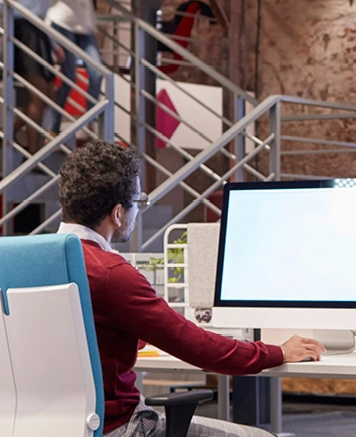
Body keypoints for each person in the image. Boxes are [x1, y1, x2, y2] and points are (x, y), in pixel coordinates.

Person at [57, 140, 326, 437]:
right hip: (117, 427)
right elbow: (197, 347)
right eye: (138, 203)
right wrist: (277, 352)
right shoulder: (112, 274)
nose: (138, 212)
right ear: (118, 213)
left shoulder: (24, 262)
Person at [0, 0, 55, 154]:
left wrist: (53, 44)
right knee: (39, 97)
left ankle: (9, 132)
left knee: (47, 98)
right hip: (23, 29)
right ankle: (33, 153)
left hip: (37, 30)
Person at [42, 0, 104, 136]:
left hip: (85, 24)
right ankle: (53, 127)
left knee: (97, 72)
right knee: (69, 78)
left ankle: (91, 120)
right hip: (62, 21)